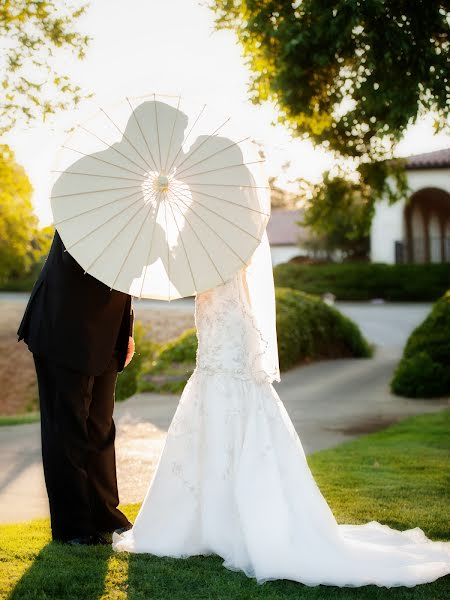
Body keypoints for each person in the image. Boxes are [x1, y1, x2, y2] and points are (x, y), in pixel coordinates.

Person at [112, 230, 450, 588]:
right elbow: (185, 279)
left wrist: (178, 248)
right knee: (209, 407)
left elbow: (204, 274)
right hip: (212, 330)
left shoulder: (232, 228)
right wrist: (170, 245)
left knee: (232, 402)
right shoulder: (206, 226)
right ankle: (204, 523)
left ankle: (237, 522)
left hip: (229, 330)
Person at [17, 229, 135, 545]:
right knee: (66, 429)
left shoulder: (134, 209)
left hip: (107, 332)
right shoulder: (84, 205)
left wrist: (127, 332)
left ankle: (105, 514)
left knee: (100, 426)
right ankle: (72, 527)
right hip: (64, 327)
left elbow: (130, 272)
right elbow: (94, 264)